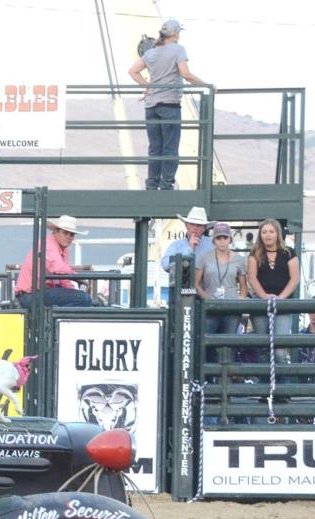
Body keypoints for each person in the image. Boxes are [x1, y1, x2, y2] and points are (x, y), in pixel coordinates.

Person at [127, 18, 208, 190]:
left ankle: (151, 185)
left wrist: (147, 87)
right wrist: (207, 86)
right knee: (170, 148)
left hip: (151, 107)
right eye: (178, 32)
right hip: (169, 105)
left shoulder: (151, 53)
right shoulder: (178, 50)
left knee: (155, 149)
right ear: (174, 34)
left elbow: (132, 71)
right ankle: (166, 186)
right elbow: (186, 74)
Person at [246, 218, 300, 363]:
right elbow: (252, 278)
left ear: (278, 233)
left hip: (282, 304)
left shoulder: (289, 253)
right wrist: (264, 296)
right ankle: (264, 384)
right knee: (263, 348)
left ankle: (282, 384)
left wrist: (281, 298)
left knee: (280, 351)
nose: (267, 235)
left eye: (271, 231)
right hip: (260, 303)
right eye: (264, 232)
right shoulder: (254, 254)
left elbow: (295, 278)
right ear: (260, 235)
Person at [194, 222, 246, 363]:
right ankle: (208, 379)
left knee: (229, 345)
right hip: (210, 307)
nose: (222, 241)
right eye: (219, 238)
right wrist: (206, 297)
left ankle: (227, 379)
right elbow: (196, 283)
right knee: (207, 343)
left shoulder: (239, 259)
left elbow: (243, 285)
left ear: (230, 239)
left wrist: (240, 299)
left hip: (231, 307)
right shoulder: (204, 257)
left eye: (225, 237)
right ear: (214, 240)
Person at [15, 216, 93, 308]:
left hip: (39, 293)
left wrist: (73, 290)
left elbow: (64, 278)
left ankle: (55, 319)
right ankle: (56, 320)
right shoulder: (48, 244)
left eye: (71, 234)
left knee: (83, 298)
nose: (68, 237)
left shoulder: (62, 250)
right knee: (83, 299)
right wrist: (80, 279)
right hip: (31, 294)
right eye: (65, 233)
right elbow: (58, 268)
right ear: (56, 232)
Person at [161, 206, 215, 274]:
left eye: (199, 225)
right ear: (186, 226)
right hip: (183, 284)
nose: (195, 228)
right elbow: (165, 265)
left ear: (204, 228)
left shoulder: (212, 245)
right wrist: (189, 250)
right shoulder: (176, 245)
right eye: (192, 224)